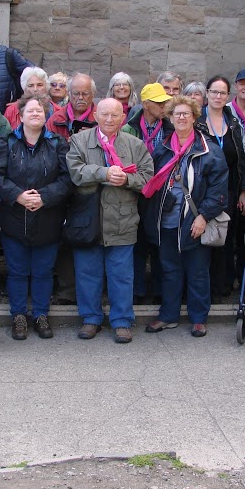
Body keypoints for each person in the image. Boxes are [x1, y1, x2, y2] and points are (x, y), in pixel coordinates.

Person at [66, 97, 153, 343]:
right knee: (88, 272)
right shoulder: (79, 141)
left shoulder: (135, 145)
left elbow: (148, 177)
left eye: (115, 115)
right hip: (88, 219)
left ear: (123, 118)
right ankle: (91, 318)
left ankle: (122, 321)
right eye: (104, 114)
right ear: (95, 115)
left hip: (122, 219)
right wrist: (103, 173)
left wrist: (127, 180)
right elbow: (75, 172)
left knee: (121, 275)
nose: (109, 119)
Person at [0, 94, 72, 340]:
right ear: (21, 115)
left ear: (46, 115)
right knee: (17, 271)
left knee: (44, 272)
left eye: (40, 110)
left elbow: (67, 179)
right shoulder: (6, 142)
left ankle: (41, 315)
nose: (35, 113)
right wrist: (18, 196)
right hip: (14, 218)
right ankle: (19, 316)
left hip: (48, 218)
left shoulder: (58, 143)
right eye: (30, 110)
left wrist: (44, 197)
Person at [142, 96, 228, 337]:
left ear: (194, 117)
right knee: (169, 270)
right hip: (167, 220)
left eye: (185, 114)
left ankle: (199, 318)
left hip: (194, 221)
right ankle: (168, 316)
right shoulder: (163, 148)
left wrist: (204, 216)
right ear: (170, 118)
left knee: (198, 271)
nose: (181, 117)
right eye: (176, 114)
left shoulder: (209, 150)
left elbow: (218, 190)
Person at [198, 75, 245, 299]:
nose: (218, 96)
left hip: (229, 189)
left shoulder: (233, 122)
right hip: (201, 189)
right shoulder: (197, 120)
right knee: (202, 238)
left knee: (225, 238)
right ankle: (202, 286)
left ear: (227, 96)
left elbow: (241, 159)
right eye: (214, 91)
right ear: (207, 94)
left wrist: (244, 191)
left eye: (222, 93)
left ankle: (222, 286)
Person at [122, 83, 173, 304]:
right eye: (158, 102)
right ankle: (137, 291)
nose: (163, 106)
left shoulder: (169, 128)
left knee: (159, 241)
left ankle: (161, 291)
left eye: (165, 102)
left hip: (162, 191)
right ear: (145, 104)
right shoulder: (128, 129)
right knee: (137, 242)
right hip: (135, 192)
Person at [47, 72, 97, 139]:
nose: (80, 97)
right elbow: (46, 146)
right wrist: (65, 144)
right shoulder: (56, 119)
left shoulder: (102, 118)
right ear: (69, 94)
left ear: (92, 95)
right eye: (76, 93)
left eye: (85, 93)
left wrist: (93, 138)